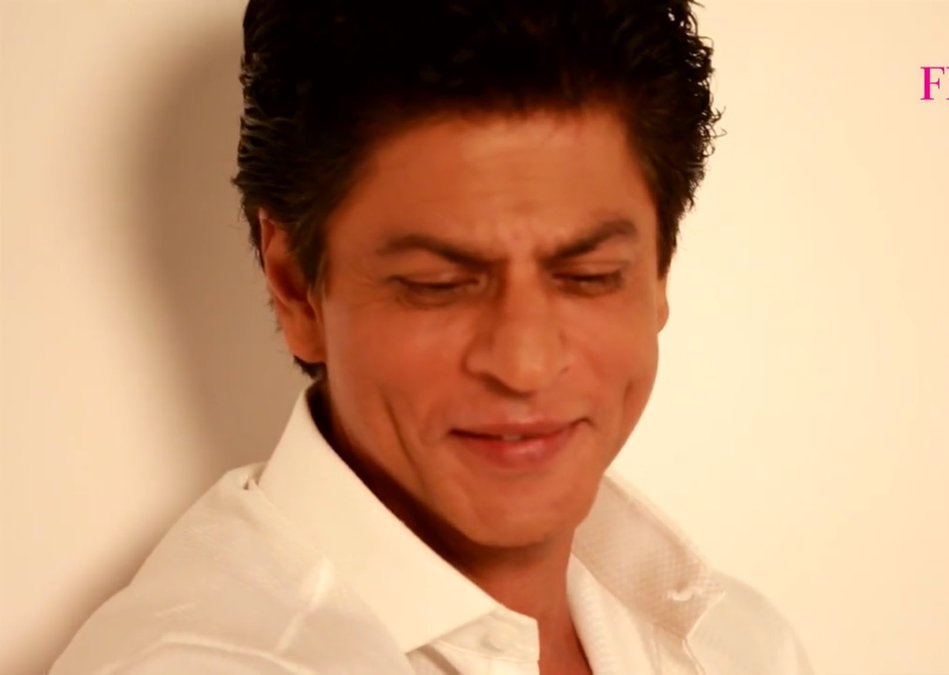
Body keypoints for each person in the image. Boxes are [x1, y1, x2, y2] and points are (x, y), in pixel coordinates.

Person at [52, 2, 813, 673]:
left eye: (589, 275)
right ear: (295, 287)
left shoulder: (738, 644)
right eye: (438, 284)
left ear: (659, 274)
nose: (524, 363)